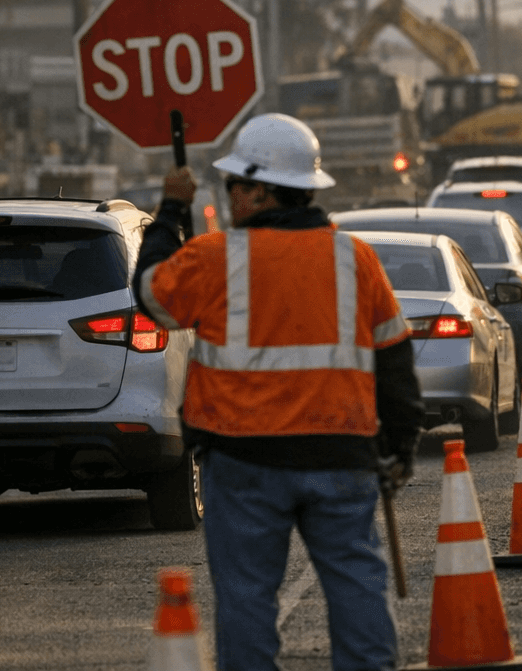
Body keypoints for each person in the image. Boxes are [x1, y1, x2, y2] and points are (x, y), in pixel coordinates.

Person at [133, 113, 424, 671]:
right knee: (358, 583)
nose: (230, 194)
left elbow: (151, 295)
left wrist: (171, 208)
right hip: (341, 455)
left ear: (259, 192)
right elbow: (394, 362)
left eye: (235, 185)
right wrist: (401, 444)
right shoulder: (354, 258)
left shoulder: (215, 257)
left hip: (243, 462)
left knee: (246, 599)